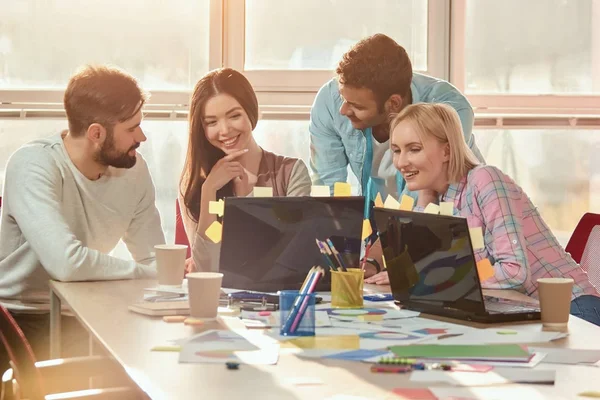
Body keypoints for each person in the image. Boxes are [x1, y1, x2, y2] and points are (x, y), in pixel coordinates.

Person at [365, 102, 600, 326]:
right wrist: (426, 200)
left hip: (573, 310)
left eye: (414, 149)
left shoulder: (484, 180)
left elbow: (514, 271)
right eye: (396, 150)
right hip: (516, 312)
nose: (401, 162)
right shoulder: (439, 196)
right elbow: (423, 268)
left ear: (446, 151)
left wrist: (423, 275)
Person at [0, 65, 165, 371]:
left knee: (154, 365)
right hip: (20, 315)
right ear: (96, 134)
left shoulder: (134, 170)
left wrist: (159, 273)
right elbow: (66, 263)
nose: (141, 136)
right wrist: (145, 272)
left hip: (83, 309)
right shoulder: (33, 165)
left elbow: (155, 259)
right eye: (131, 128)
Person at [309, 33, 484, 203]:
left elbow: (424, 191)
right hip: (380, 217)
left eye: (358, 106)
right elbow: (327, 187)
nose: (343, 110)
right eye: (343, 99)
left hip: (454, 215)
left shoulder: (449, 110)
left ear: (393, 103)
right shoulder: (329, 101)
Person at [179, 68, 311, 273]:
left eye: (234, 116)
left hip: (277, 299)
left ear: (251, 112)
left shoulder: (291, 173)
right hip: (220, 301)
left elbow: (293, 256)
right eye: (212, 122)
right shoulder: (196, 185)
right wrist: (209, 191)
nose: (224, 130)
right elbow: (205, 268)